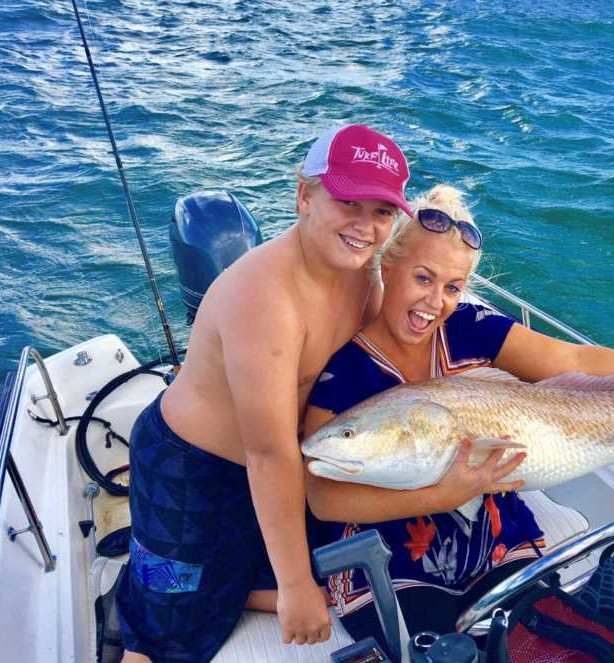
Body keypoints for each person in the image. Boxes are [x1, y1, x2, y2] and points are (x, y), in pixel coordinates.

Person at [300, 184, 614, 646]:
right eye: (422, 278)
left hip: (496, 535)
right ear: (388, 264)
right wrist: (443, 495)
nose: (434, 302)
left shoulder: (468, 327)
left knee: (541, 641)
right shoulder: (345, 374)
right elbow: (322, 496)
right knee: (431, 651)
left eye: (452, 287)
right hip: (391, 553)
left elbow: (579, 363)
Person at [114, 124, 418, 663]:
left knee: (332, 562)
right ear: (304, 195)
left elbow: (378, 362)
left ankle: (233, 586)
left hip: (276, 463)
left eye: (382, 212)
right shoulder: (265, 298)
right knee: (164, 635)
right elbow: (267, 453)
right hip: (190, 470)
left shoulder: (362, 271)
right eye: (348, 201)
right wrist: (296, 585)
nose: (366, 227)